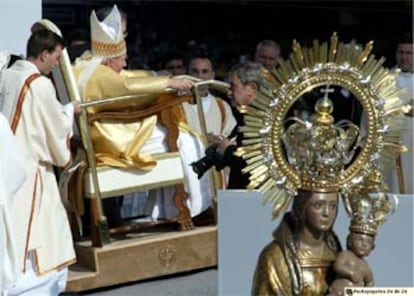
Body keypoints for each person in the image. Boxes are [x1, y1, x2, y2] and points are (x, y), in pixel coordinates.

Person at [72, 5, 210, 223]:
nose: (125, 62)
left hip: (98, 132)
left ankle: (166, 210)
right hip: (109, 139)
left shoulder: (86, 63)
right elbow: (127, 87)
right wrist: (170, 83)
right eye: (122, 58)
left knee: (174, 132)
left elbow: (126, 76)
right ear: (110, 60)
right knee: (185, 138)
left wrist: (155, 75)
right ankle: (192, 209)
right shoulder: (103, 75)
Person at [0, 29, 80, 295]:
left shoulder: (9, 74)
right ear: (44, 54)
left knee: (13, 229)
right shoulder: (40, 84)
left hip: (8, 167)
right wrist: (71, 110)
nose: (57, 63)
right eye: (56, 57)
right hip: (32, 171)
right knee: (42, 232)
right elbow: (56, 130)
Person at [252, 190, 342, 295]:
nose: (327, 213)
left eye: (333, 206)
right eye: (318, 206)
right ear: (301, 208)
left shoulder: (337, 253)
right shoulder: (274, 257)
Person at [214, 62, 264, 188]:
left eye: (233, 86)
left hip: (253, 199)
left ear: (252, 88)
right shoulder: (247, 117)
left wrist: (227, 150)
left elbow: (251, 164)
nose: (229, 93)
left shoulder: (262, 121)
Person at [388, 32, 413, 194]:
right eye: (401, 53)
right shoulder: (386, 79)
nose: (404, 57)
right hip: (393, 141)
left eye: (409, 53)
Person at [328, 230, 374, 295]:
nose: (364, 244)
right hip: (340, 290)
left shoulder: (365, 265)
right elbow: (337, 266)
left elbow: (370, 282)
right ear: (350, 241)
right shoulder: (345, 254)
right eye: (361, 240)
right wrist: (350, 273)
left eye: (369, 242)